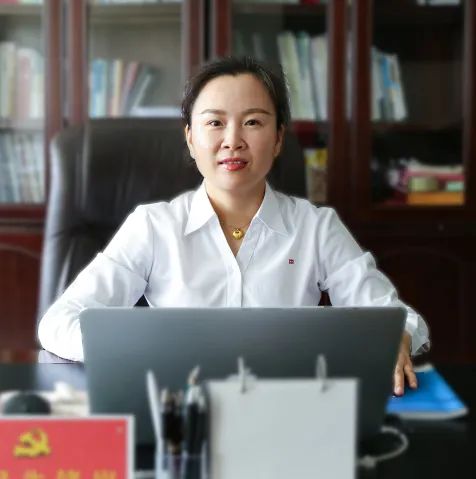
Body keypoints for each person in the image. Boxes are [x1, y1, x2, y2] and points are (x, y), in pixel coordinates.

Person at [38, 56, 430, 395]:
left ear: (278, 139)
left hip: (287, 407)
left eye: (253, 122)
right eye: (215, 122)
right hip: (182, 408)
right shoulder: (154, 228)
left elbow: (400, 319)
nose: (233, 140)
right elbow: (58, 323)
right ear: (190, 139)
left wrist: (399, 336)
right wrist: (133, 353)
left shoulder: (316, 228)